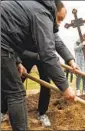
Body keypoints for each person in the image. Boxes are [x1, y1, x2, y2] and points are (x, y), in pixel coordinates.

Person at [1, 1, 77, 130]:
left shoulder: (32, 8)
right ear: (54, 11)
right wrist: (65, 86)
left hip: (14, 50)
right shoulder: (42, 14)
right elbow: (48, 52)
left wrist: (70, 60)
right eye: (59, 18)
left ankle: (42, 113)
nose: (59, 23)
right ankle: (3, 111)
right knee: (16, 92)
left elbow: (58, 44)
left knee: (27, 87)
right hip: (25, 54)